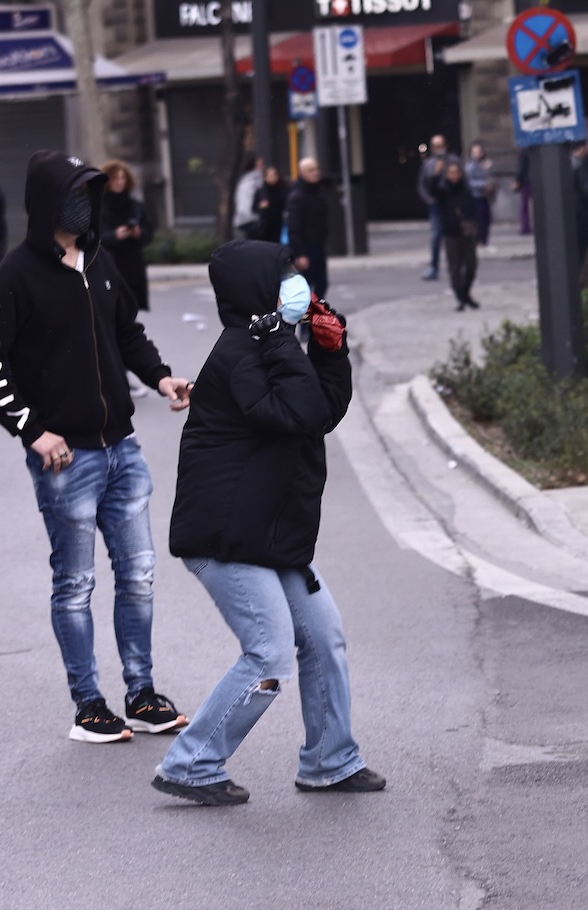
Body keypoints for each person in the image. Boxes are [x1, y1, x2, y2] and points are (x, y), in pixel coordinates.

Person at [0, 150, 193, 742]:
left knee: (138, 575)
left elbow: (127, 332)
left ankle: (141, 694)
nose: (84, 205)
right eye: (74, 194)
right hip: (66, 457)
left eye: (89, 194)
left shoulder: (100, 260)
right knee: (75, 584)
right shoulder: (15, 275)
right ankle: (89, 706)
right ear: (47, 202)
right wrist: (32, 430)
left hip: (123, 448)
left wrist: (160, 377)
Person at [151, 240, 385, 806]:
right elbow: (300, 412)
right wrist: (283, 340)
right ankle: (190, 764)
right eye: (283, 276)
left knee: (323, 638)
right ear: (257, 292)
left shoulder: (267, 343)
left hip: (268, 533)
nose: (296, 284)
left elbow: (321, 412)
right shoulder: (241, 352)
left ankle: (330, 761)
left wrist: (330, 351)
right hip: (225, 537)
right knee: (269, 651)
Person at [100, 160, 153, 314]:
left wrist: (138, 233)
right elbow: (93, 236)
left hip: (133, 263)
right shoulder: (98, 206)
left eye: (123, 177)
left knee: (131, 307)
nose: (120, 182)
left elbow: (148, 232)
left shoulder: (135, 205)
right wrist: (114, 235)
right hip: (110, 262)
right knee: (112, 307)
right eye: (115, 178)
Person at [432, 161, 480, 312]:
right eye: (450, 173)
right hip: (451, 233)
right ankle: (460, 297)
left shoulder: (466, 191)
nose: (454, 176)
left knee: (471, 265)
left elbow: (473, 211)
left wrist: (476, 231)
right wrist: (436, 174)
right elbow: (433, 191)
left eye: (456, 172)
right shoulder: (444, 192)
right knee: (455, 267)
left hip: (467, 233)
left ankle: (465, 293)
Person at [286, 157, 330, 301]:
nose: (316, 173)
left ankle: (314, 312)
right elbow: (294, 226)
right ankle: (308, 314)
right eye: (311, 170)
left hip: (318, 245)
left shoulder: (318, 191)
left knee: (322, 283)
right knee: (307, 286)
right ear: (302, 173)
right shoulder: (297, 196)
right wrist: (300, 254)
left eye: (317, 169)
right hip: (306, 247)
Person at [417, 135, 458, 280]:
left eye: (440, 145)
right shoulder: (428, 164)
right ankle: (434, 267)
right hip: (436, 204)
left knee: (455, 236)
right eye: (435, 146)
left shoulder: (453, 161)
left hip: (451, 203)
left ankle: (457, 266)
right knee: (436, 236)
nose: (438, 149)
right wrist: (427, 199)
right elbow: (422, 184)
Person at [464, 142, 495, 248]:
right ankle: (479, 239)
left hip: (484, 195)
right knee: (479, 218)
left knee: (487, 218)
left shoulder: (484, 164)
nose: (477, 154)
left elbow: (490, 177)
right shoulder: (470, 167)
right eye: (474, 152)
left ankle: (485, 239)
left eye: (478, 152)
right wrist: (483, 185)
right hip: (475, 195)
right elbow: (469, 182)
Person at [572, 141, 588, 262]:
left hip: (574, 209)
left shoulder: (566, 164)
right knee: (584, 241)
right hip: (582, 209)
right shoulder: (579, 165)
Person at [252, 164, 287, 245]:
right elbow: (253, 207)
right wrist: (260, 206)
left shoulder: (283, 189)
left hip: (279, 224)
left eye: (274, 175)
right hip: (264, 226)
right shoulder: (261, 191)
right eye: (270, 176)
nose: (272, 178)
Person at [233, 154, 264, 239]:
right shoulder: (255, 181)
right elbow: (246, 201)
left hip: (245, 219)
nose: (263, 167)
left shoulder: (245, 180)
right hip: (252, 219)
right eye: (261, 165)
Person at [513, 148, 532, 236]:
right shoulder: (534, 150)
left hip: (526, 182)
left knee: (524, 206)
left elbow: (521, 169)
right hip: (535, 180)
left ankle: (526, 227)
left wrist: (517, 180)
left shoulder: (524, 153)